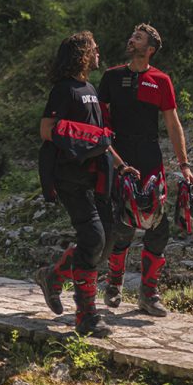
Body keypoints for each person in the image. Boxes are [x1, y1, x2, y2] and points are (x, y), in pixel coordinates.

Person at [98, 23, 193, 316]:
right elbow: (100, 124)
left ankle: (149, 294)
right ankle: (113, 283)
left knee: (158, 227)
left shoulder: (161, 80)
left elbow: (173, 125)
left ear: (150, 48)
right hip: (119, 159)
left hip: (151, 159)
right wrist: (113, 159)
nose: (132, 39)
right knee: (122, 225)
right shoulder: (111, 77)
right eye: (132, 35)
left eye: (138, 37)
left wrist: (184, 165)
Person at [34, 31, 128, 338]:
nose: (98, 53)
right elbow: (47, 129)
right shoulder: (63, 90)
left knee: (107, 240)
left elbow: (100, 138)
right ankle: (86, 316)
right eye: (94, 49)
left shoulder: (90, 89)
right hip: (69, 178)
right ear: (81, 54)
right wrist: (83, 139)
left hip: (97, 177)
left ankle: (53, 275)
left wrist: (121, 165)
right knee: (93, 237)